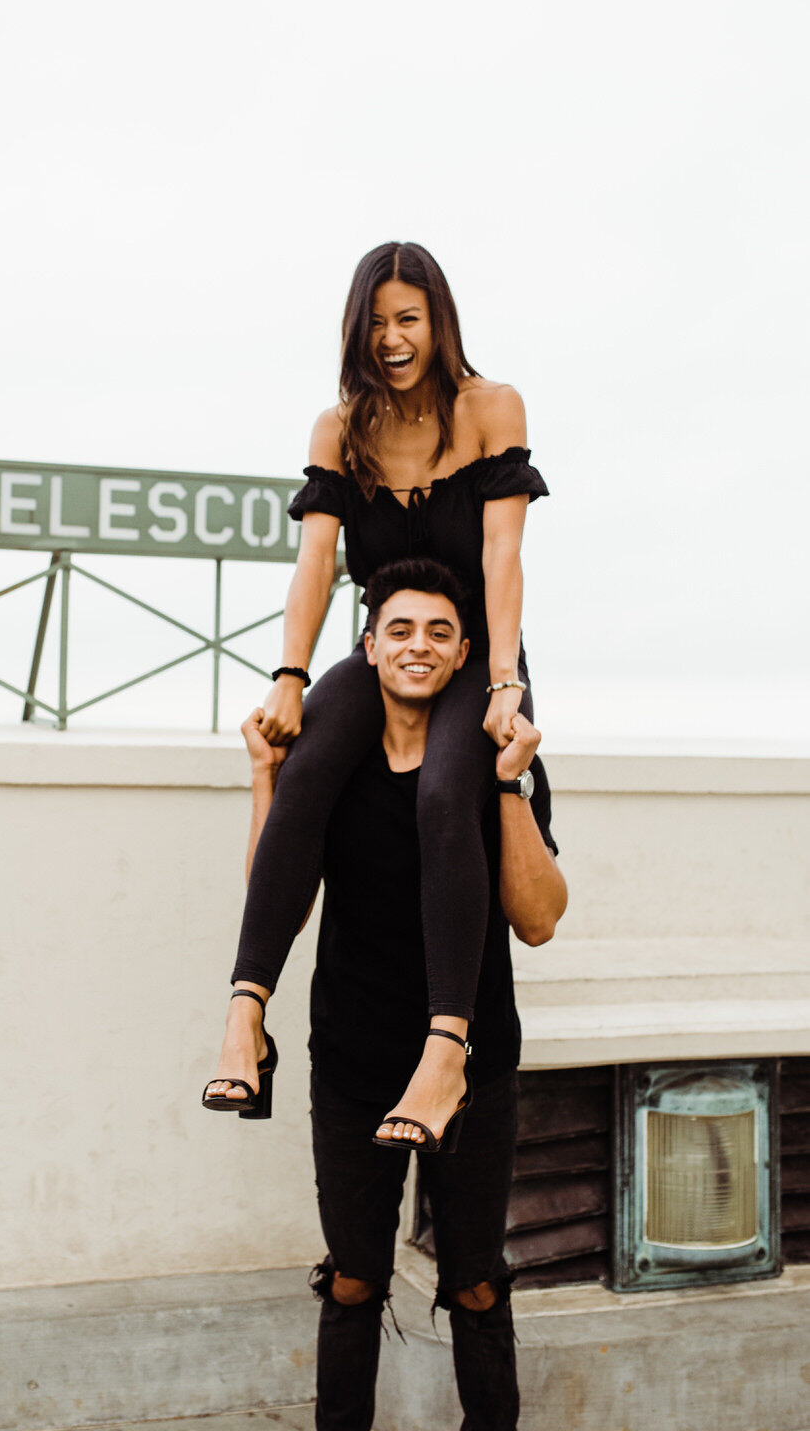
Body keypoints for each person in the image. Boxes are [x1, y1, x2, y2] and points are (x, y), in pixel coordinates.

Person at [205, 241, 549, 1148]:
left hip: (469, 647)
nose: (392, 338)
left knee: (445, 793)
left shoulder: (492, 410)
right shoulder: (340, 428)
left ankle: (446, 1049)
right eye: (377, 321)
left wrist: (505, 679)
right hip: (384, 646)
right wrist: (289, 675)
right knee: (307, 764)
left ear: (439, 321)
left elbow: (503, 557)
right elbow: (316, 562)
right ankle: (246, 1012)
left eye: (409, 318)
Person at [213, 559, 567, 1431]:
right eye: (401, 630)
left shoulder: (495, 758)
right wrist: (266, 775)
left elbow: (541, 919)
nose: (419, 646)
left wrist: (511, 785)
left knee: (477, 1283)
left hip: (473, 1060)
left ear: (463, 658)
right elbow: (278, 894)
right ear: (370, 649)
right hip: (355, 1054)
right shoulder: (334, 767)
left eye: (439, 633)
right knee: (353, 1276)